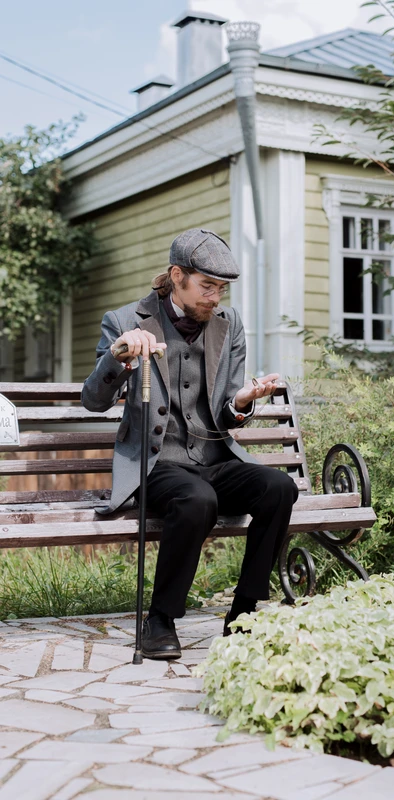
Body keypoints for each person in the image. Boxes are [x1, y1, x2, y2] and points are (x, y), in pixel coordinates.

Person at [82, 228, 298, 659]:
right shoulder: (124, 321)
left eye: (221, 289)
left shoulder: (228, 325)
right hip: (156, 465)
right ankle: (160, 619)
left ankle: (244, 613)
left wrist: (242, 401)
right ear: (177, 276)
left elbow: (225, 411)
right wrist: (119, 354)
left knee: (279, 487)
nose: (215, 298)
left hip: (214, 460)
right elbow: (94, 400)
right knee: (197, 499)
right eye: (207, 286)